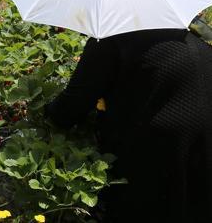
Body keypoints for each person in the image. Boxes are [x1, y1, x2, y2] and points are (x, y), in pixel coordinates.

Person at [45, 29, 212, 221]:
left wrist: (43, 110)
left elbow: (67, 111)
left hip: (162, 152)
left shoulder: (110, 39)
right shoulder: (190, 38)